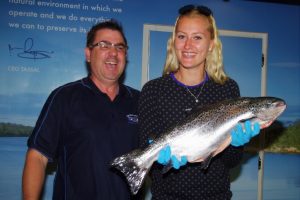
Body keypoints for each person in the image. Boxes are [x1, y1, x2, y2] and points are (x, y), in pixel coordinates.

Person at [138, 5, 260, 199]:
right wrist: (157, 161)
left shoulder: (227, 89)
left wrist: (235, 144)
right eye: (181, 36)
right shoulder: (153, 90)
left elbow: (231, 162)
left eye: (197, 37)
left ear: (211, 44)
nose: (187, 46)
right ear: (173, 41)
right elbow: (146, 149)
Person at [22, 19, 141, 200]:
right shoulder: (64, 97)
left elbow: (153, 150)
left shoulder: (140, 100)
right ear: (88, 53)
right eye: (104, 45)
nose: (113, 53)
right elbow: (37, 157)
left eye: (120, 47)